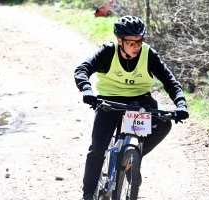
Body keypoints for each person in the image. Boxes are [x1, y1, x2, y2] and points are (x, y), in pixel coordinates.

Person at [74, 15, 189, 200]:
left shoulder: (148, 53)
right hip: (110, 100)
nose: (136, 46)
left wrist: (181, 103)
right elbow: (82, 69)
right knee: (98, 148)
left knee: (164, 124)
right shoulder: (108, 51)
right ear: (120, 41)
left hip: (140, 100)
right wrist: (86, 89)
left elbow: (170, 81)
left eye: (139, 41)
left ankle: (131, 161)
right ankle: (87, 194)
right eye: (131, 42)